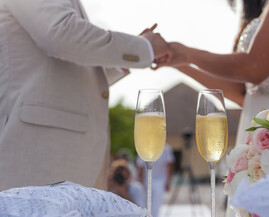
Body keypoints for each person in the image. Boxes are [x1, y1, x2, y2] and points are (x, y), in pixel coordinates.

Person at [155, 0, 269, 217]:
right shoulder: (265, 8)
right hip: (255, 145)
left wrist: (185, 52)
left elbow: (253, 68)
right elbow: (244, 92)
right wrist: (180, 63)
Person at [0, 0, 171, 191]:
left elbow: (70, 69)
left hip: (61, 163)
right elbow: (60, 32)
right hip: (39, 159)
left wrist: (123, 61)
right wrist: (143, 47)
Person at [137, 143, 175, 217]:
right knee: (144, 203)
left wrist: (168, 181)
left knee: (156, 204)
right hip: (146, 179)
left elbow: (169, 164)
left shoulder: (166, 148)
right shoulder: (143, 146)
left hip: (160, 179)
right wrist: (140, 181)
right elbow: (140, 165)